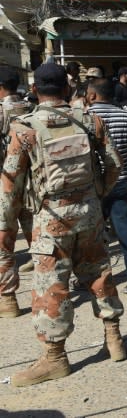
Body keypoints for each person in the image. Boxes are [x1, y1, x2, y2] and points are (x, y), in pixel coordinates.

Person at [0, 63, 125, 387]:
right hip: (91, 213)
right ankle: (114, 339)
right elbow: (113, 163)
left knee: (51, 285)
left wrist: (7, 225)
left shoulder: (24, 128)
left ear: (35, 90)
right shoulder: (88, 119)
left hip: (51, 219)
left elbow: (11, 183)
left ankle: (55, 358)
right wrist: (97, 194)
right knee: (99, 273)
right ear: (67, 89)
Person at [86, 77, 127, 295]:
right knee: (126, 231)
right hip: (122, 182)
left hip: (92, 187)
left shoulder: (84, 117)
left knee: (90, 236)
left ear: (93, 95)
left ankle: (91, 281)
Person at [0, 67, 34, 307]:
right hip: (32, 183)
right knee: (39, 237)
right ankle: (51, 289)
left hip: (6, 183)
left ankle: (8, 299)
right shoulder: (32, 108)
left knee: (4, 241)